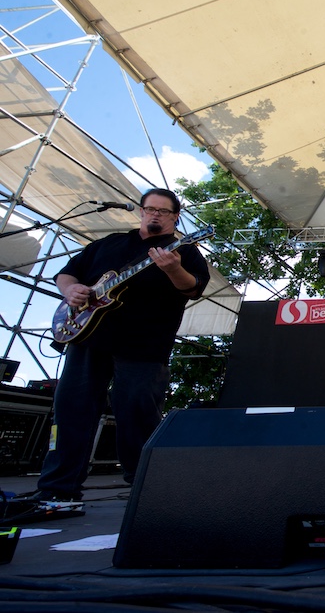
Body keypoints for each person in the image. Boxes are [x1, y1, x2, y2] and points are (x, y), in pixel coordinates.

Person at [28, 188, 210, 509]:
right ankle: (58, 489)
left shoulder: (184, 250)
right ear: (140, 211)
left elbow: (192, 287)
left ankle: (147, 490)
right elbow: (67, 273)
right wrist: (72, 290)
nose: (155, 214)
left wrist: (171, 269)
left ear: (174, 217)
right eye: (149, 209)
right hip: (88, 338)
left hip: (144, 343)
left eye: (163, 211)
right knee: (72, 409)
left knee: (138, 412)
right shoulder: (108, 244)